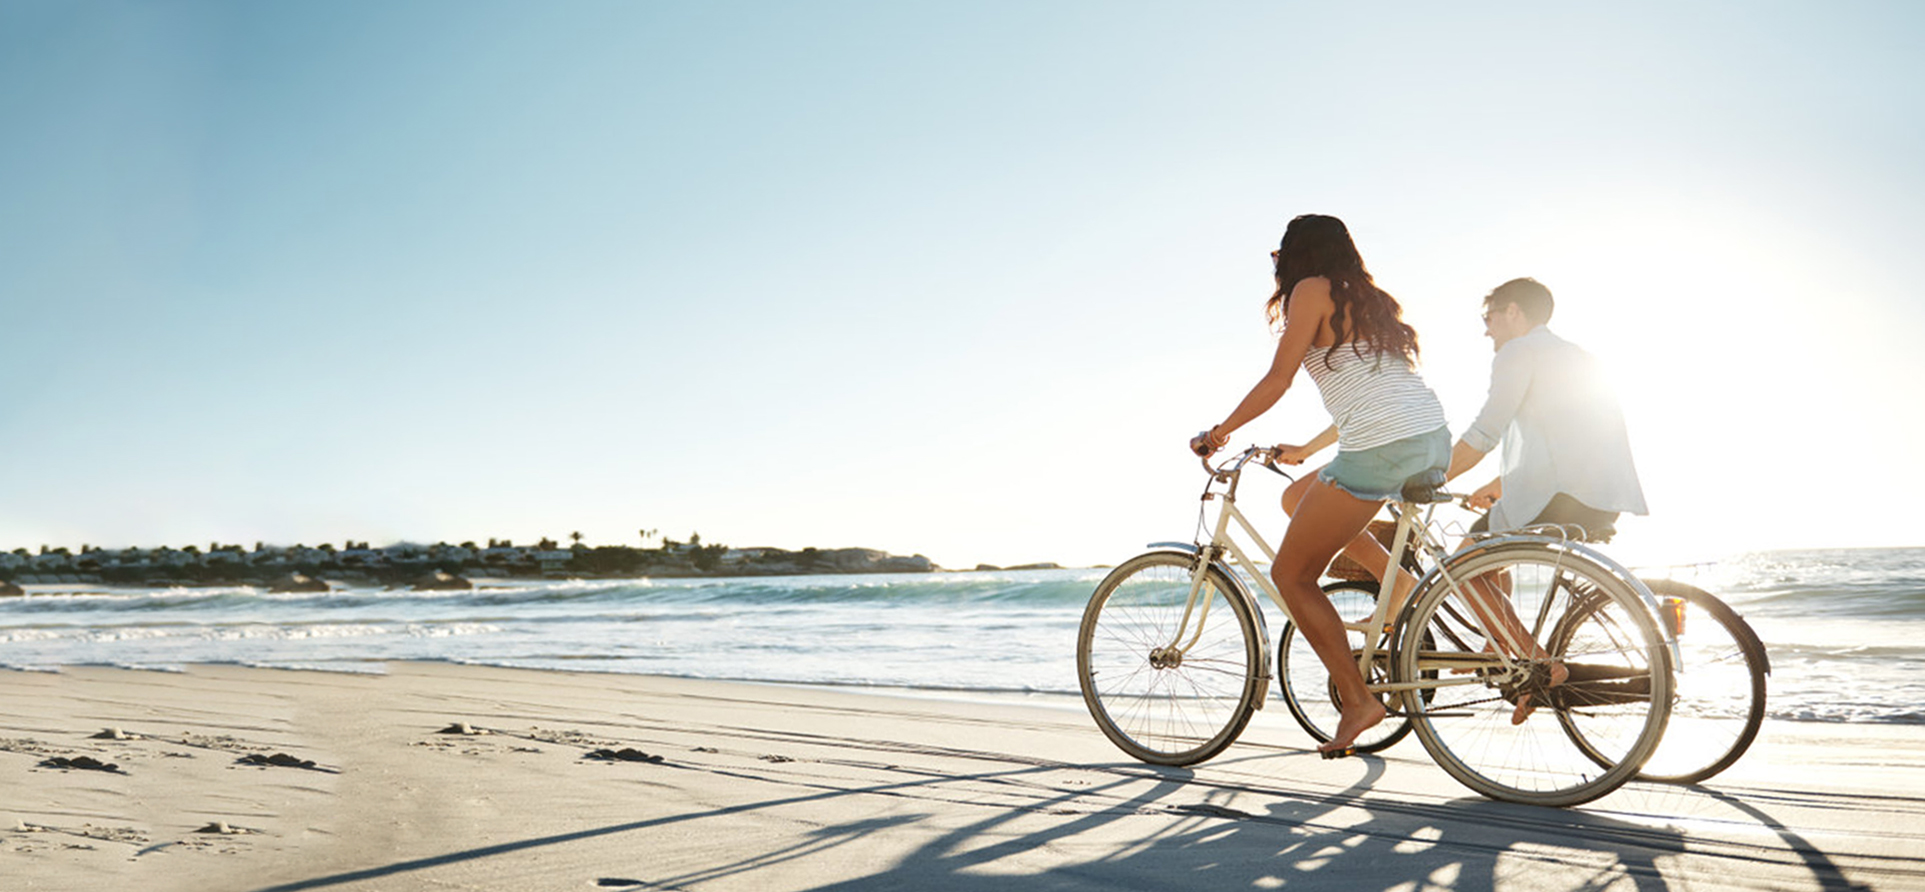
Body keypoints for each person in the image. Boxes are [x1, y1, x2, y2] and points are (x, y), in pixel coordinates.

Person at [1190, 214, 1449, 754]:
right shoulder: (1370, 299)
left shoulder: (1310, 290)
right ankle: (1398, 583)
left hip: (1381, 447)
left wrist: (1219, 432)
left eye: (1278, 255)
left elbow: (1278, 379)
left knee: (1291, 573)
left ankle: (1359, 702)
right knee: (1295, 495)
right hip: (1428, 437)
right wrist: (1308, 450)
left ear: (1296, 253)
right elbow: (1372, 396)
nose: (1277, 265)